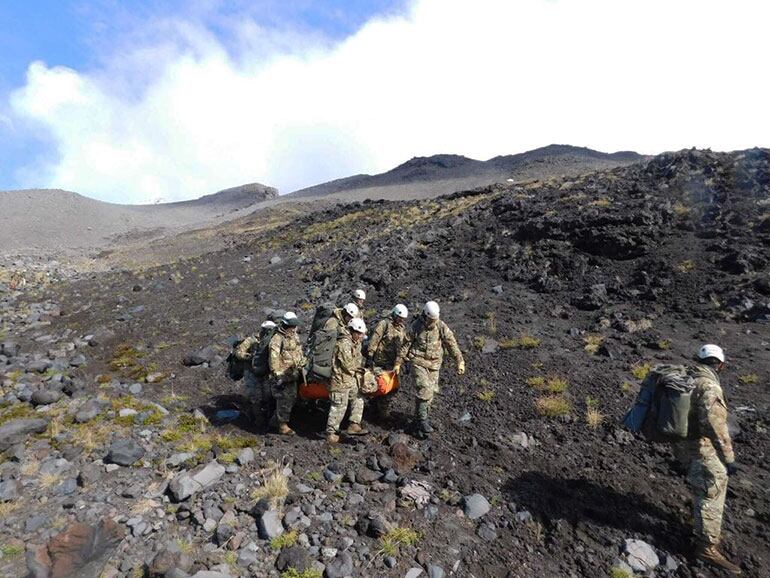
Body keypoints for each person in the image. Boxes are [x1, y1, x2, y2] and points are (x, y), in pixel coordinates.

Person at [675, 344, 741, 574]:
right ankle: (706, 547)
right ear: (720, 365)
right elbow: (716, 425)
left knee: (701, 485)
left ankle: (698, 520)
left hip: (683, 446)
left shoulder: (688, 378)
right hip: (701, 449)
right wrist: (729, 458)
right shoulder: (709, 386)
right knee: (713, 488)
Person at [394, 301, 465, 437]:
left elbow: (451, 343)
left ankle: (417, 424)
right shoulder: (416, 326)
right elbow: (405, 345)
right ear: (425, 316)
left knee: (430, 394)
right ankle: (422, 420)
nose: (433, 322)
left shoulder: (441, 326)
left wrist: (459, 361)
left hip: (434, 365)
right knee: (424, 389)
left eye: (435, 319)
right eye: (431, 319)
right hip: (418, 362)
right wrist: (398, 362)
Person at [326, 317, 369, 444]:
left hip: (350, 379)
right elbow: (348, 365)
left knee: (358, 396)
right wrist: (362, 371)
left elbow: (358, 360)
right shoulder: (343, 344)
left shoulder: (355, 343)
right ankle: (331, 433)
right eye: (359, 334)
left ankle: (354, 424)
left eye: (362, 334)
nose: (361, 336)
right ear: (353, 331)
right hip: (339, 380)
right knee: (339, 406)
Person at [267, 312, 307, 435]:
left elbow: (298, 350)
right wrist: (279, 375)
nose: (294, 329)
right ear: (286, 325)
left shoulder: (294, 336)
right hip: (282, 376)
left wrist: (302, 363)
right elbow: (273, 360)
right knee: (284, 400)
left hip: (292, 374)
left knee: (292, 399)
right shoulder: (277, 339)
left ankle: (275, 421)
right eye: (292, 326)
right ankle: (282, 426)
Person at [366, 304, 409, 419]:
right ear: (395, 314)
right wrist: (370, 355)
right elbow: (375, 339)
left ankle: (380, 409)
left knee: (392, 387)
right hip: (380, 362)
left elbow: (403, 346)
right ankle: (376, 409)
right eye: (400, 318)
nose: (401, 321)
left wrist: (405, 360)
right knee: (379, 385)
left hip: (393, 364)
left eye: (403, 319)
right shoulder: (384, 324)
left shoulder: (401, 329)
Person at [234, 320, 277, 423]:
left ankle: (266, 415)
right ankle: (258, 419)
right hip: (251, 373)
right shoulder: (252, 340)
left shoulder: (274, 341)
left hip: (266, 373)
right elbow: (239, 352)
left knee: (268, 395)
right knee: (255, 397)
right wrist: (249, 357)